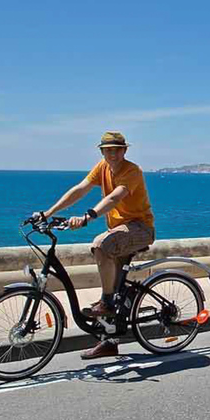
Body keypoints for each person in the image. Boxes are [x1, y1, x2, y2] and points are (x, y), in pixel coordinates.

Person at [40, 131, 155, 359]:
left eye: (117, 149)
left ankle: (107, 302)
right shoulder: (101, 167)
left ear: (124, 151)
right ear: (102, 151)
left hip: (140, 228)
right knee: (116, 284)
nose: (112, 153)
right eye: (107, 150)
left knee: (101, 245)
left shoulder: (132, 171)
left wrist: (87, 217)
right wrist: (48, 212)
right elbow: (80, 189)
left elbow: (115, 197)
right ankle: (110, 340)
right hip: (121, 231)